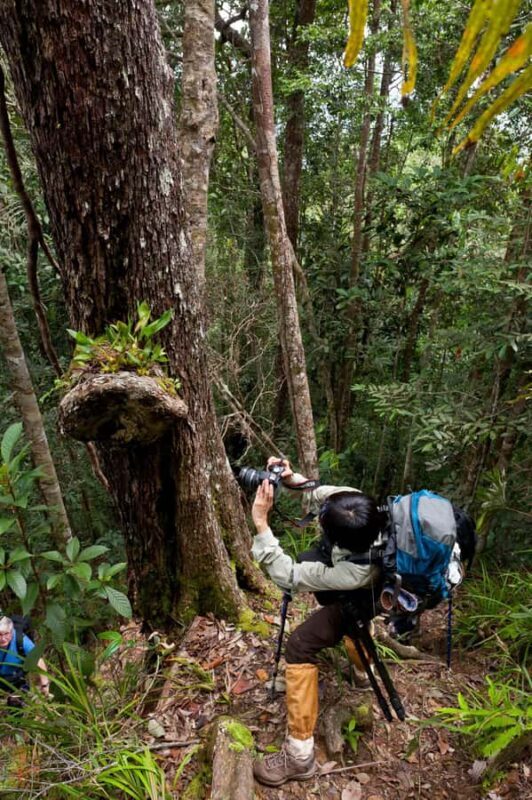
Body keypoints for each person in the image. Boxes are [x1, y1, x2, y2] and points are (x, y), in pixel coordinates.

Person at [251, 458, 387, 787]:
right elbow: (316, 492)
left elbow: (290, 575)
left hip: (365, 594)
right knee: (354, 623)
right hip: (369, 588)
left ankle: (299, 756)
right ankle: (359, 670)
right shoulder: (355, 503)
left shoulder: (355, 568)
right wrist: (290, 478)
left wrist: (261, 524)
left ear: (341, 542)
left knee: (300, 645)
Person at [0, 616, 50, 703]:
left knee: (16, 704)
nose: (3, 639)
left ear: (12, 632)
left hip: (15, 678)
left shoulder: (21, 641)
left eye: (6, 634)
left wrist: (44, 684)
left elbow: (38, 660)